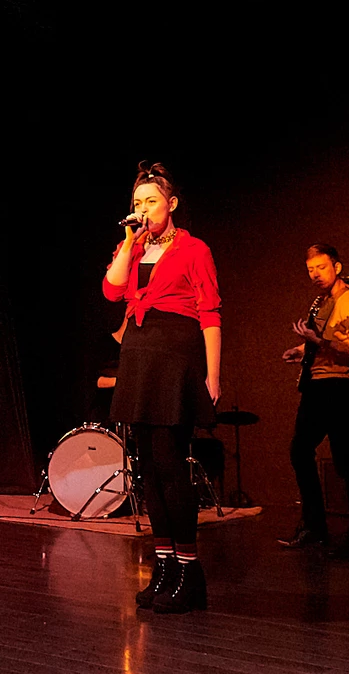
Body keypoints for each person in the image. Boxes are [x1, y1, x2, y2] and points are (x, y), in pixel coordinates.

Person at [102, 162, 221, 613]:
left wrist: (213, 374)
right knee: (147, 467)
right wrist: (129, 242)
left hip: (175, 355)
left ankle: (190, 573)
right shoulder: (132, 248)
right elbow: (112, 290)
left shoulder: (194, 249)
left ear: (170, 204)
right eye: (137, 203)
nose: (143, 209)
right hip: (139, 354)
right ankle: (166, 565)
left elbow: (210, 312)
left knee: (171, 465)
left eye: (151, 201)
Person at [278, 243, 349, 557]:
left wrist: (318, 342)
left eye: (321, 267)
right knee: (300, 451)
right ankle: (315, 526)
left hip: (339, 387)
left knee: (345, 460)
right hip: (318, 387)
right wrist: (302, 350)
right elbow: (326, 340)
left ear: (337, 267)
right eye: (310, 270)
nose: (315, 274)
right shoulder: (323, 302)